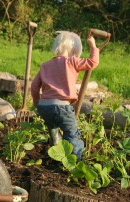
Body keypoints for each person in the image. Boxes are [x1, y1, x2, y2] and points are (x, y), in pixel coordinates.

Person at [30, 31, 99, 160]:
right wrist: (93, 46)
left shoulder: (45, 65)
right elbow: (92, 62)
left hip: (44, 107)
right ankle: (74, 162)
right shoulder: (71, 61)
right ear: (74, 50)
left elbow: (34, 86)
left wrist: (36, 102)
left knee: (53, 125)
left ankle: (55, 142)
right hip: (62, 107)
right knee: (72, 134)